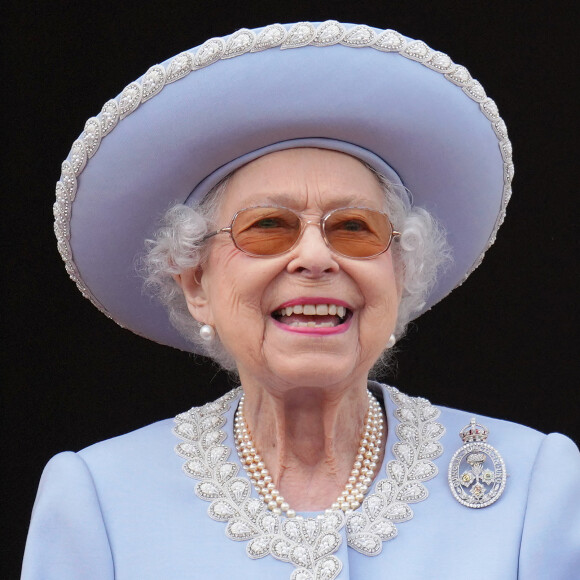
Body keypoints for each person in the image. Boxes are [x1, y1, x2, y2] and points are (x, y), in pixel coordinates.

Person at [22, 21, 580, 579]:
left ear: (400, 274)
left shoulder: (534, 483)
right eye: (268, 226)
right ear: (196, 284)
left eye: (354, 228)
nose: (315, 257)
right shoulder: (100, 497)